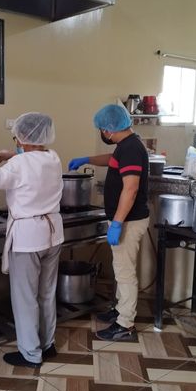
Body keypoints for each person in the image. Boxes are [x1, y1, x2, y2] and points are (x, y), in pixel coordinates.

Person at [0, 112, 64, 368]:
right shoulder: (53, 158)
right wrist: (12, 155)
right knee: (46, 293)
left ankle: (30, 353)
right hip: (53, 233)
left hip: (28, 237)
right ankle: (48, 344)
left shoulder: (18, 165)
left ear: (22, 138)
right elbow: (32, 164)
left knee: (25, 297)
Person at [68, 104, 150, 341]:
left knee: (125, 273)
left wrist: (117, 223)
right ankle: (120, 310)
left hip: (129, 221)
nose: (102, 133)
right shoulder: (126, 145)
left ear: (108, 129)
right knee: (121, 269)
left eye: (102, 129)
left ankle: (125, 325)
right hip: (125, 219)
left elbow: (131, 189)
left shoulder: (131, 148)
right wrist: (88, 159)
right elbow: (113, 160)